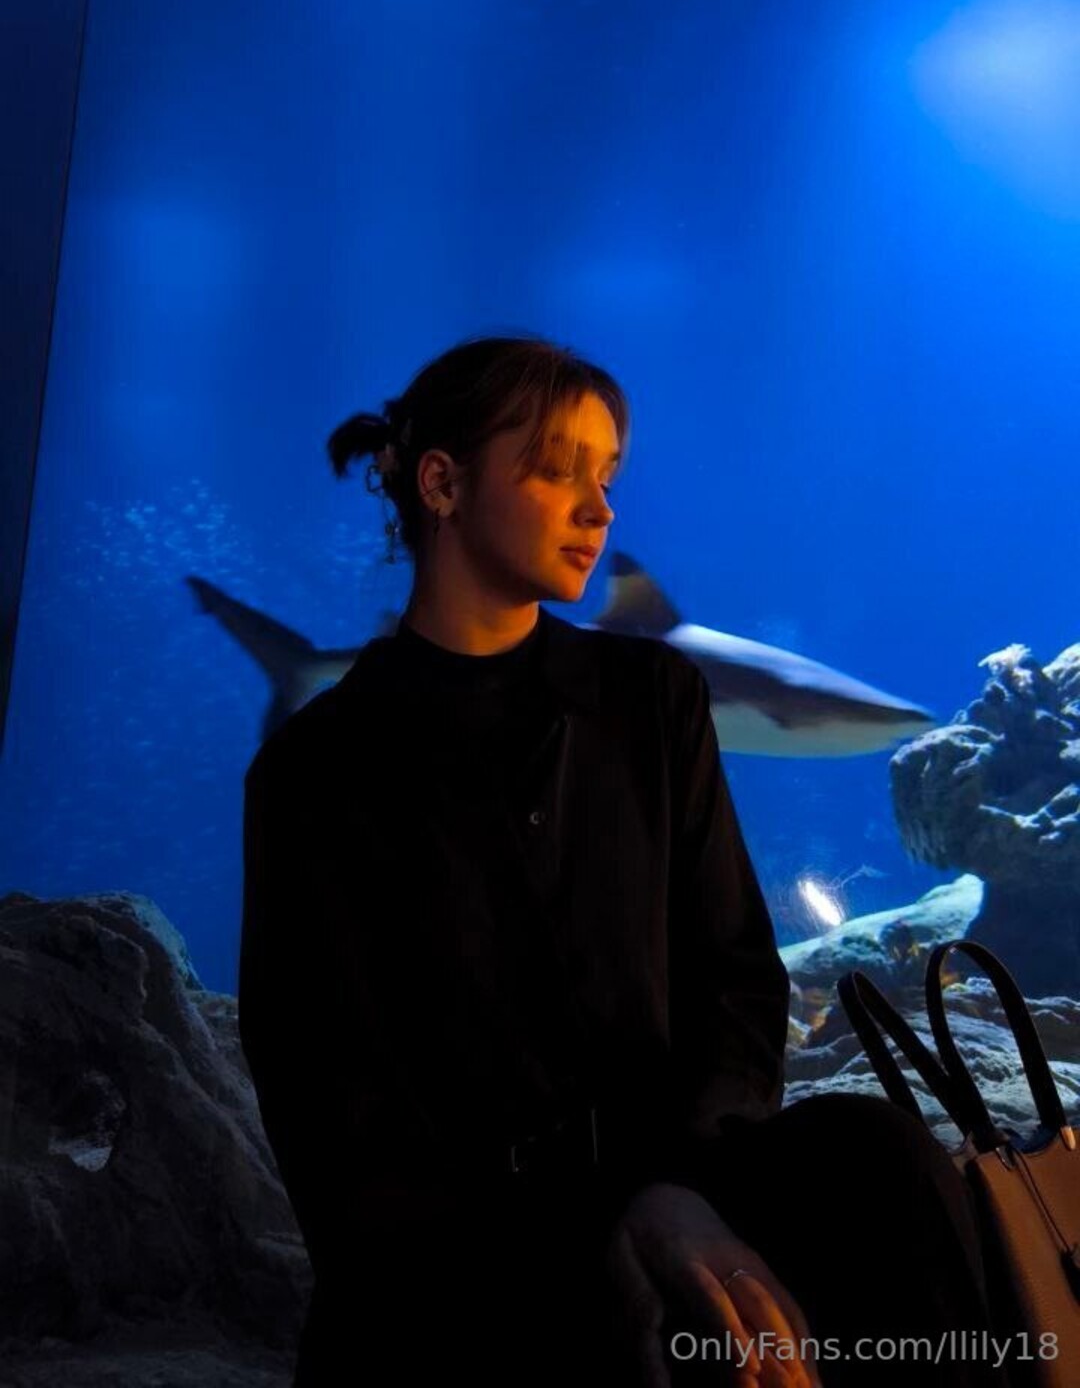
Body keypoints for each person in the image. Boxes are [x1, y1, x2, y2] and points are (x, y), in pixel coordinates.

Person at [238, 333, 1007, 1388]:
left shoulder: (654, 700)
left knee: (874, 1157)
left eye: (607, 477)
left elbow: (737, 978)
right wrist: (576, 1241)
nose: (599, 510)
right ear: (442, 483)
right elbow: (327, 1101)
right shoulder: (315, 769)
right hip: (458, 1248)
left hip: (678, 1173)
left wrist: (673, 1187)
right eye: (560, 471)